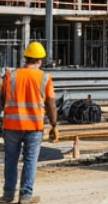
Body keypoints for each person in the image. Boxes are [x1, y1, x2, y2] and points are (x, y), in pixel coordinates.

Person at [1, 41, 58, 204]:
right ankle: (25, 195)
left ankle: (8, 195)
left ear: (25, 58)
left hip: (11, 126)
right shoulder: (44, 77)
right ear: (40, 60)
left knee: (10, 160)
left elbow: (1, 100)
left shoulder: (11, 76)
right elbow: (51, 103)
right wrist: (54, 125)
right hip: (34, 127)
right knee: (30, 161)